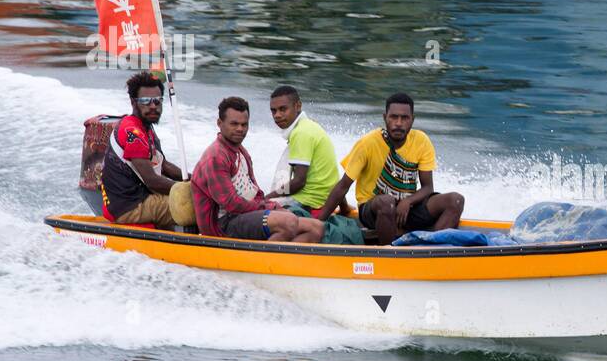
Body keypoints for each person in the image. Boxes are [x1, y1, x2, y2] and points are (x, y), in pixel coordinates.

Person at [313, 93, 464, 245]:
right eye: (394, 117)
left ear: (413, 119)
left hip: (406, 209)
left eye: (404, 118)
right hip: (374, 209)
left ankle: (432, 249)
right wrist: (318, 224)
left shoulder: (421, 141)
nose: (398, 123)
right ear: (385, 117)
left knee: (456, 200)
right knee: (387, 202)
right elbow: (343, 185)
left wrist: (408, 201)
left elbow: (428, 187)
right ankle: (389, 252)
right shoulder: (368, 143)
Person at [191, 97, 326, 242]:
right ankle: (266, 262)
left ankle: (280, 260)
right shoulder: (216, 157)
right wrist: (266, 206)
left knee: (316, 227)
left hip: (244, 214)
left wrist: (272, 206)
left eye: (244, 124)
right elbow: (231, 203)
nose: (240, 129)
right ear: (219, 123)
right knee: (288, 222)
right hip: (223, 224)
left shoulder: (241, 152)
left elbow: (254, 192)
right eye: (234, 124)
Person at [100, 70, 186, 229]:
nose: (153, 106)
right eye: (146, 101)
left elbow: (164, 165)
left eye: (157, 101)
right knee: (195, 207)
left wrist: (194, 179)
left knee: (193, 198)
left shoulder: (146, 127)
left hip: (138, 198)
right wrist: (189, 190)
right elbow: (152, 181)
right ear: (133, 102)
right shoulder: (133, 132)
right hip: (129, 206)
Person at [267, 85, 344, 213]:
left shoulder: (300, 133)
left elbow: (299, 182)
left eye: (283, 109)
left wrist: (267, 198)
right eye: (273, 111)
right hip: (325, 198)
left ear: (298, 106)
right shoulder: (309, 125)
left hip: (309, 201)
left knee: (259, 211)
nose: (277, 115)